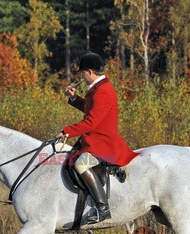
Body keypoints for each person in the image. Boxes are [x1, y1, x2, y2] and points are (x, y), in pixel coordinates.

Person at [55, 52, 139, 223]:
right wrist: (73, 98)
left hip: (103, 143)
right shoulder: (99, 88)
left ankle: (102, 208)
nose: (82, 77)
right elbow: (90, 110)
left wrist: (66, 131)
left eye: (82, 73)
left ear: (90, 72)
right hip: (96, 139)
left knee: (81, 164)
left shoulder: (103, 91)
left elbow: (91, 122)